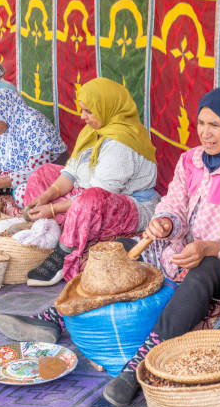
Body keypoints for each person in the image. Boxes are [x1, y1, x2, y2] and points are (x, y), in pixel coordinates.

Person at [0, 87, 220, 406]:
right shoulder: (191, 160)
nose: (205, 133)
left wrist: (209, 249)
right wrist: (167, 222)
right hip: (180, 249)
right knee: (115, 251)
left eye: (216, 126)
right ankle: (53, 316)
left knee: (202, 273)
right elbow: (174, 203)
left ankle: (138, 366)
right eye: (201, 123)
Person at [16, 77, 159, 286]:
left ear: (107, 108)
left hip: (129, 206)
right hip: (85, 196)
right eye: (82, 110)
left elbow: (98, 193)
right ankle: (55, 227)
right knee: (44, 172)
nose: (82, 116)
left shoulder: (122, 142)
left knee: (90, 199)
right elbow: (71, 174)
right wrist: (45, 198)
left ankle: (64, 252)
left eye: (88, 111)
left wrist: (54, 210)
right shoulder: (93, 131)